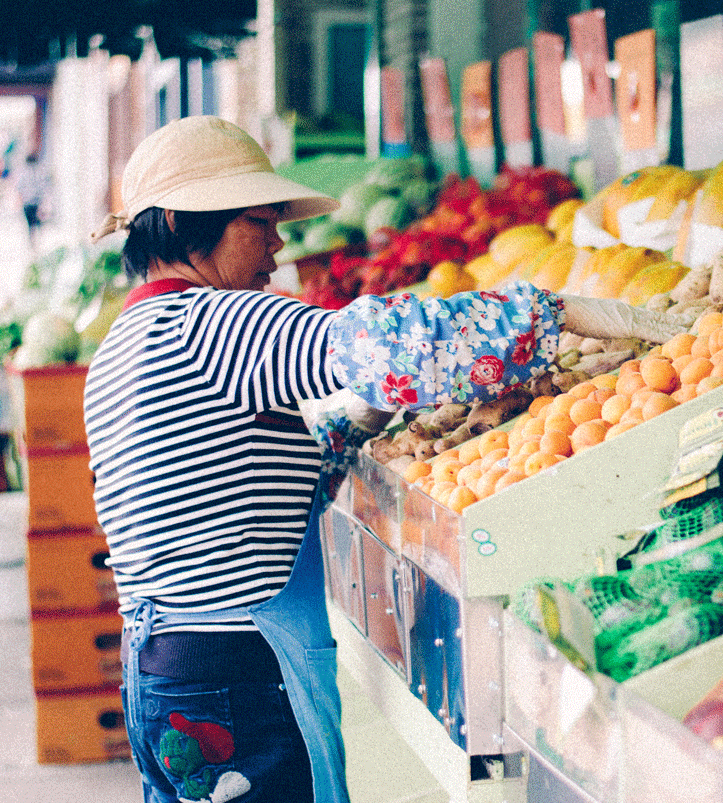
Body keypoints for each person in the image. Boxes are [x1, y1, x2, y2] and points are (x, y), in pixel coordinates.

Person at [84, 115, 689, 803]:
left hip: (160, 672)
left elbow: (222, 474)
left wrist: (350, 432)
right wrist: (548, 316)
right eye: (261, 222)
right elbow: (393, 342)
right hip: (234, 676)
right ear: (182, 223)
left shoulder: (125, 343)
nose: (278, 245)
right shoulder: (214, 322)